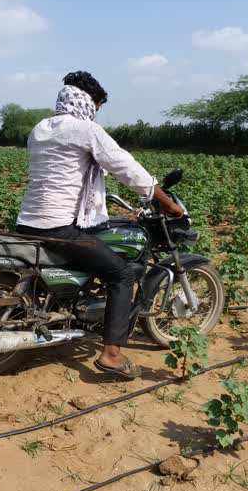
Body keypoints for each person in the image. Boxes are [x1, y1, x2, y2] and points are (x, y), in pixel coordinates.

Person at [16, 71, 184, 379]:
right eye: (97, 104)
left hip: (27, 224)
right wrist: (165, 201)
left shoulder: (40, 129)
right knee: (120, 274)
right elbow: (125, 166)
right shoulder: (86, 131)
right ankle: (112, 354)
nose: (97, 111)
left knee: (95, 249)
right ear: (87, 102)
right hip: (59, 228)